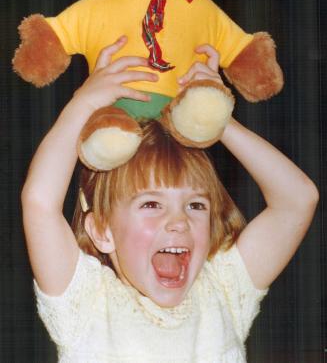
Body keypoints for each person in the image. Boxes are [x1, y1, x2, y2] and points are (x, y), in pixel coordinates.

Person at [21, 36, 318, 362]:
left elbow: (298, 199)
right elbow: (40, 203)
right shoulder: (87, 303)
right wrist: (82, 106)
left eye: (195, 205)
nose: (179, 221)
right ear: (102, 230)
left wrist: (218, 121)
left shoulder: (223, 291)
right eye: (151, 204)